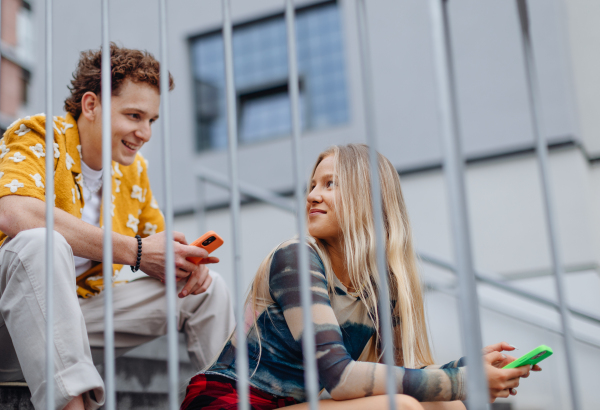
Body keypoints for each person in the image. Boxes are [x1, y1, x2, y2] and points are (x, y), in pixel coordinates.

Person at [180, 144, 540, 410]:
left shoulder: (382, 284)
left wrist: (464, 369)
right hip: (226, 402)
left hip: (285, 406)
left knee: (448, 405)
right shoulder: (297, 258)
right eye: (313, 184)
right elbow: (339, 378)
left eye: (329, 184)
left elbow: (393, 376)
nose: (311, 195)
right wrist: (462, 382)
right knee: (406, 406)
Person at [0, 44, 234, 410]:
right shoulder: (38, 136)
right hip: (9, 324)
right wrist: (138, 252)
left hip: (75, 323)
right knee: (40, 244)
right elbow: (14, 213)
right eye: (134, 115)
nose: (145, 133)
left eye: (151, 120)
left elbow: (158, 243)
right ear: (91, 105)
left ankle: (230, 403)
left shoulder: (132, 170)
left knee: (207, 290)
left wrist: (182, 265)